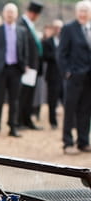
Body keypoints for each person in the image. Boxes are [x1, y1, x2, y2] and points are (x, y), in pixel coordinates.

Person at [0, 3, 28, 138]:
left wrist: (25, 65)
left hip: (16, 69)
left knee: (14, 100)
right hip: (1, 69)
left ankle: (13, 127)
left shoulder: (22, 31)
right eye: (8, 12)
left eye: (12, 12)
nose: (10, 14)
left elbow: (25, 50)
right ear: (4, 14)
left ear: (16, 15)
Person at [57, 0, 91, 155]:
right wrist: (67, 72)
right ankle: (68, 142)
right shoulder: (69, 29)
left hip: (89, 77)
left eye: (86, 10)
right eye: (81, 10)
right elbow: (61, 53)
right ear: (76, 12)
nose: (83, 14)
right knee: (70, 110)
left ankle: (83, 141)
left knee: (85, 110)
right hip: (73, 77)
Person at [17, 1, 44, 130]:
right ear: (33, 13)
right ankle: (19, 120)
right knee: (23, 94)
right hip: (26, 66)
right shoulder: (21, 24)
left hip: (33, 66)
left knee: (29, 95)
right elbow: (21, 45)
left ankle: (27, 119)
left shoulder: (30, 25)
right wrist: (25, 63)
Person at [42, 19, 63, 130]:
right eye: (55, 27)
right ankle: (53, 122)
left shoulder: (65, 41)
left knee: (67, 100)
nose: (58, 30)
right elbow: (45, 56)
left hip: (64, 76)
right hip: (52, 76)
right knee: (52, 101)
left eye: (59, 28)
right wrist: (57, 55)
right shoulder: (47, 42)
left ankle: (72, 122)